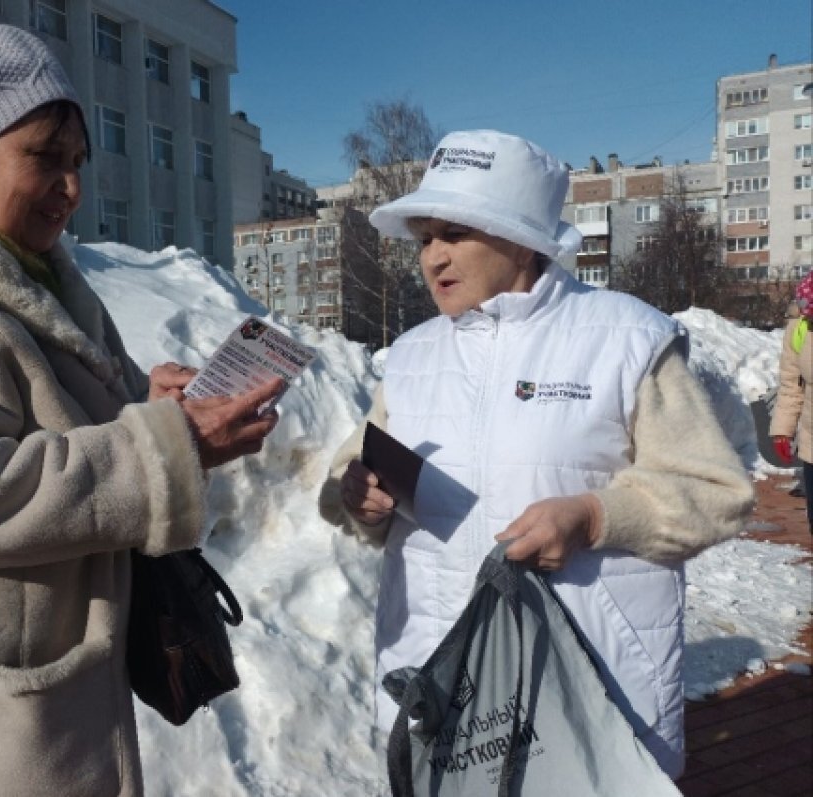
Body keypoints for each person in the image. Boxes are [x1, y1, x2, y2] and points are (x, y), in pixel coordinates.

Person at [0, 25, 282, 796]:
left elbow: (78, 424)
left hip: (34, 699)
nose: (70, 187)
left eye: (76, 164)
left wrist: (152, 402)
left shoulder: (44, 284)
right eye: (43, 157)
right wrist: (160, 448)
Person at [319, 130, 754, 779]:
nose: (432, 256)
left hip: (586, 693)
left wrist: (595, 515)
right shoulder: (411, 358)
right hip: (442, 684)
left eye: (453, 234)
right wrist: (358, 497)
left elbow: (717, 492)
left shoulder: (626, 339)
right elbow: (347, 481)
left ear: (519, 236)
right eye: (424, 238)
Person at [770, 273, 813, 531]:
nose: (807, 316)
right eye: (805, 308)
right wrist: (782, 430)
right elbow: (791, 385)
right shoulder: (799, 329)